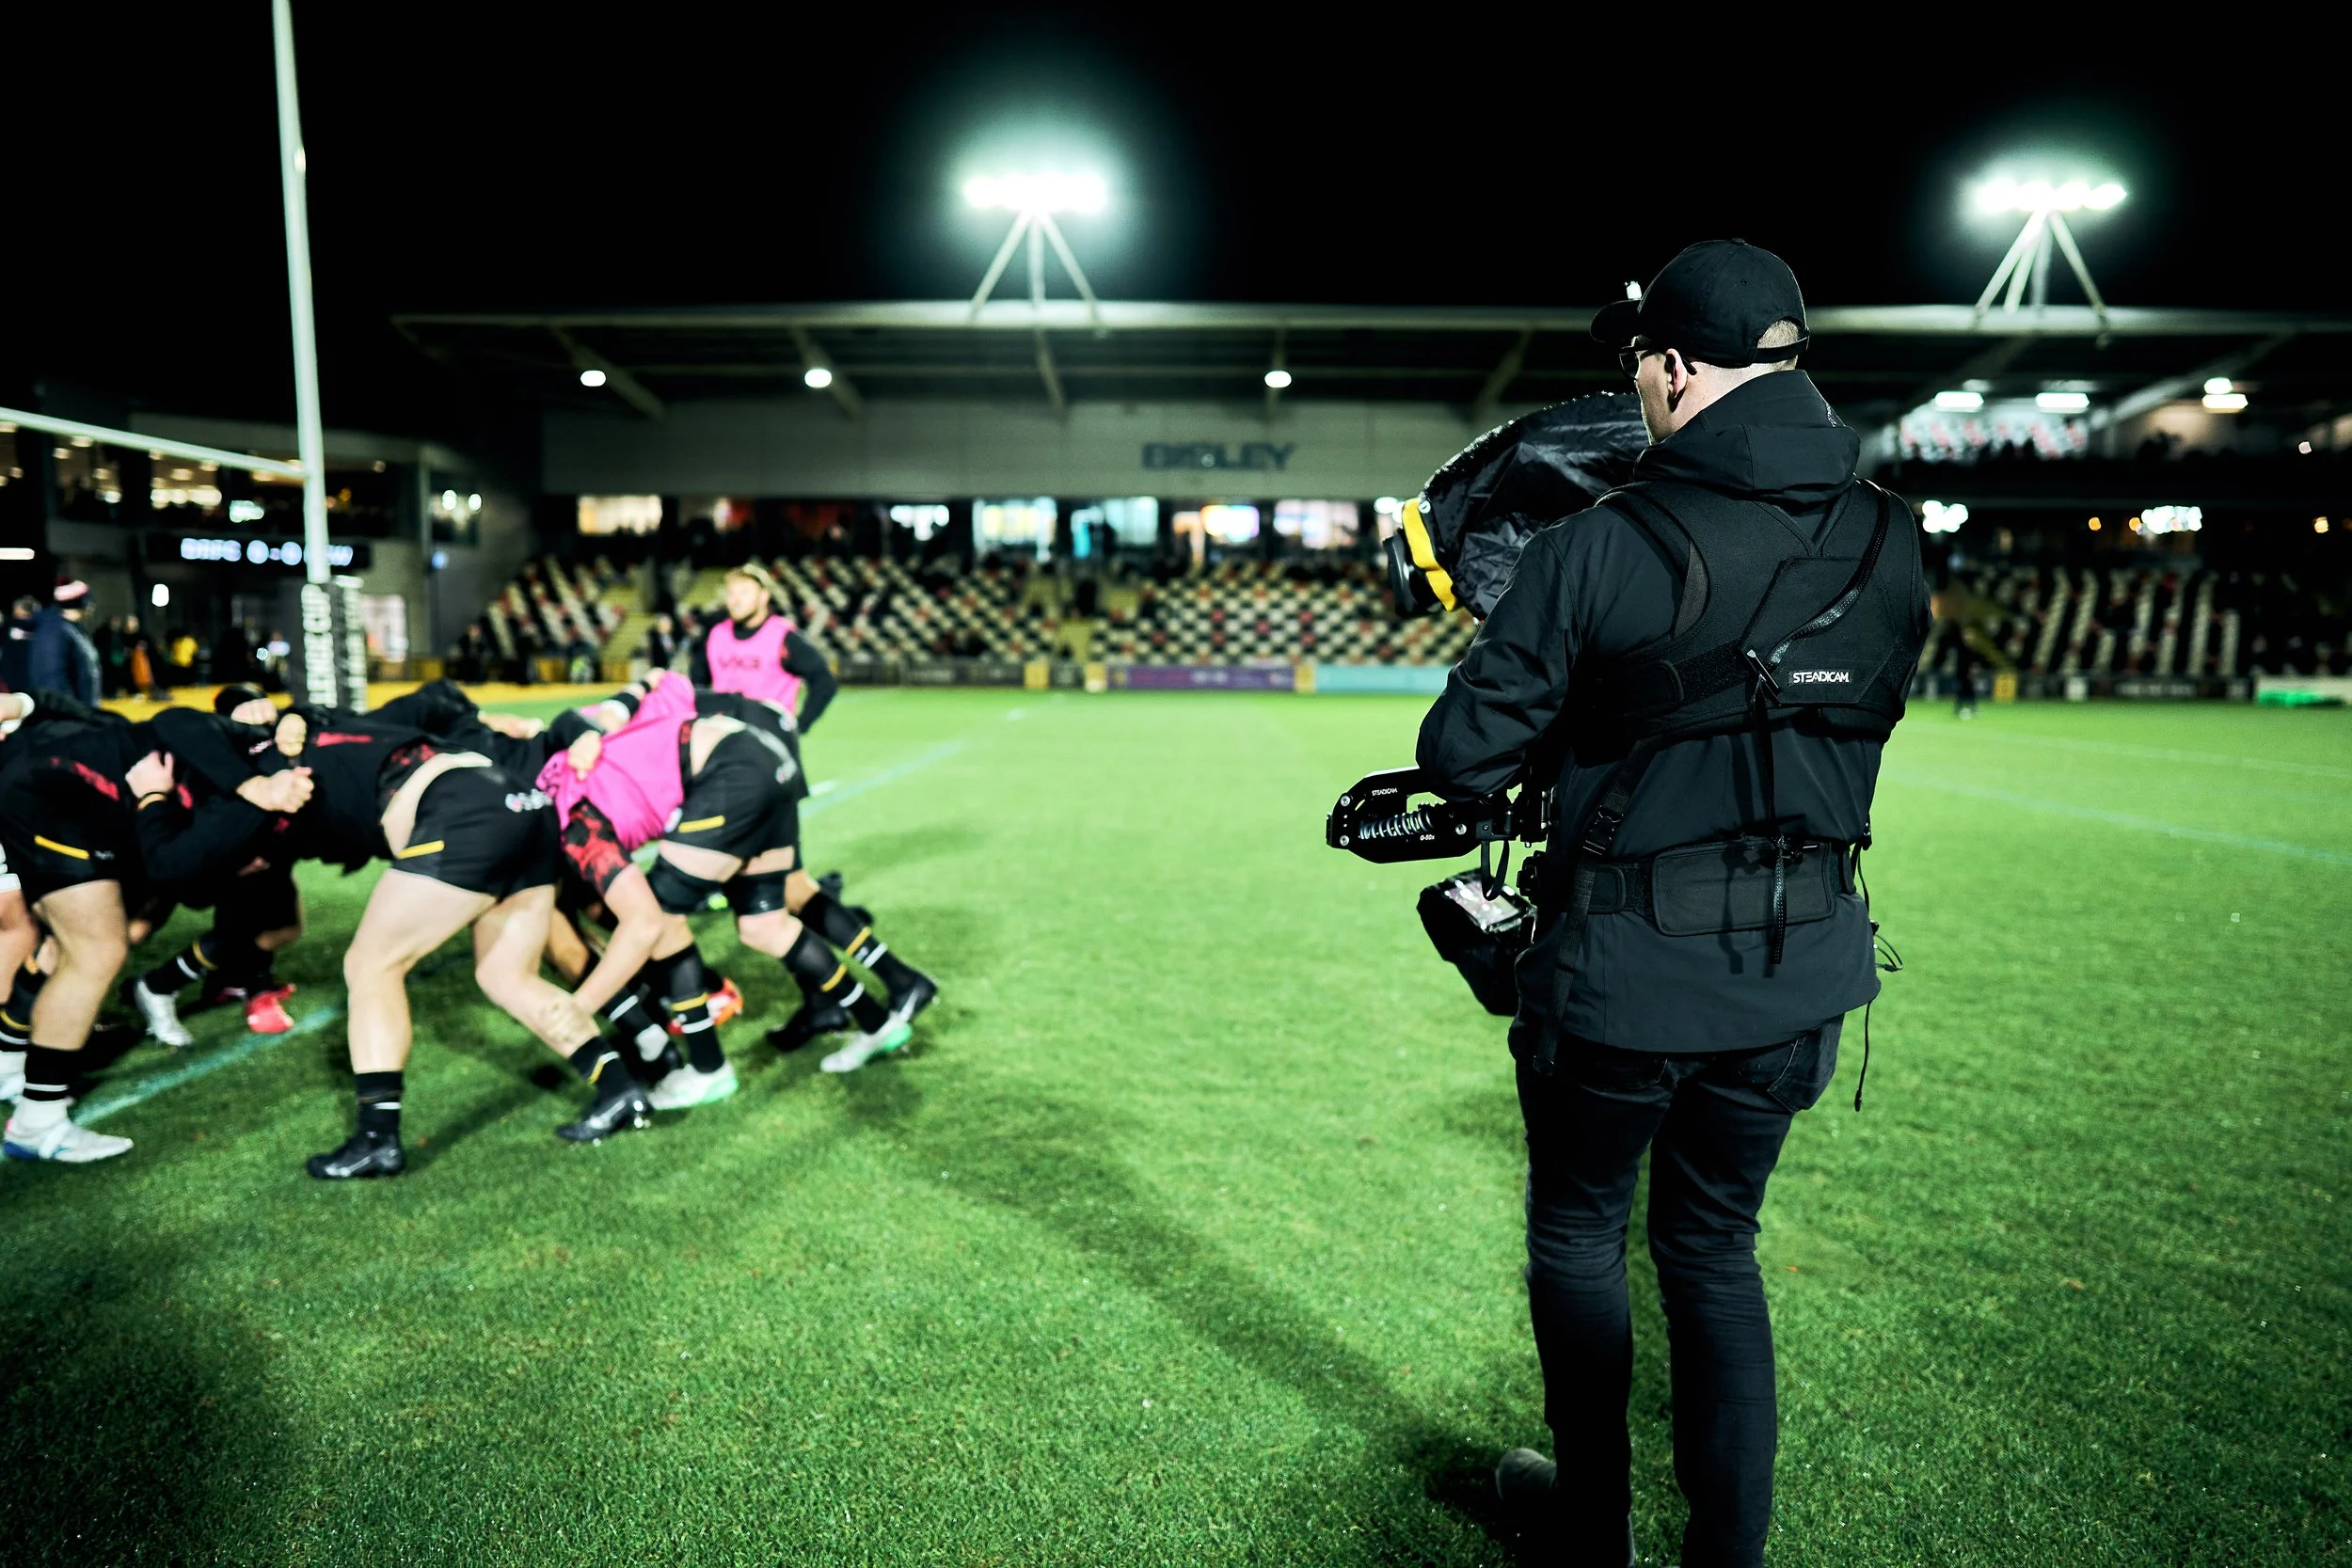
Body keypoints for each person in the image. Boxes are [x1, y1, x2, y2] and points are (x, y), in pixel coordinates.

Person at [1414, 241, 1930, 1567]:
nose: (1634, 382)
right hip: (1806, 963)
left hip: (1623, 972)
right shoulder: (1892, 537)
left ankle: (1588, 1529)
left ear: (1675, 367)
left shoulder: (1594, 544)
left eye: (1640, 358)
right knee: (1712, 1246)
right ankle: (1728, 1555)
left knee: (1581, 1233)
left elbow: (1462, 755)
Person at [692, 562, 938, 1061]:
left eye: (744, 590)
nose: (735, 598)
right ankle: (867, 989)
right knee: (788, 892)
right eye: (730, 590)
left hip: (758, 772)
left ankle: (872, 989)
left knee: (768, 903)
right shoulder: (715, 637)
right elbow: (696, 695)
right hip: (729, 766)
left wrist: (794, 725)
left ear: (765, 594)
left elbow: (823, 681)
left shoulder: (783, 637)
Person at [27, 581, 100, 705]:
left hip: (81, 712)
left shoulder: (72, 629)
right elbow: (53, 678)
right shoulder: (54, 631)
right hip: (71, 715)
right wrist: (71, 714)